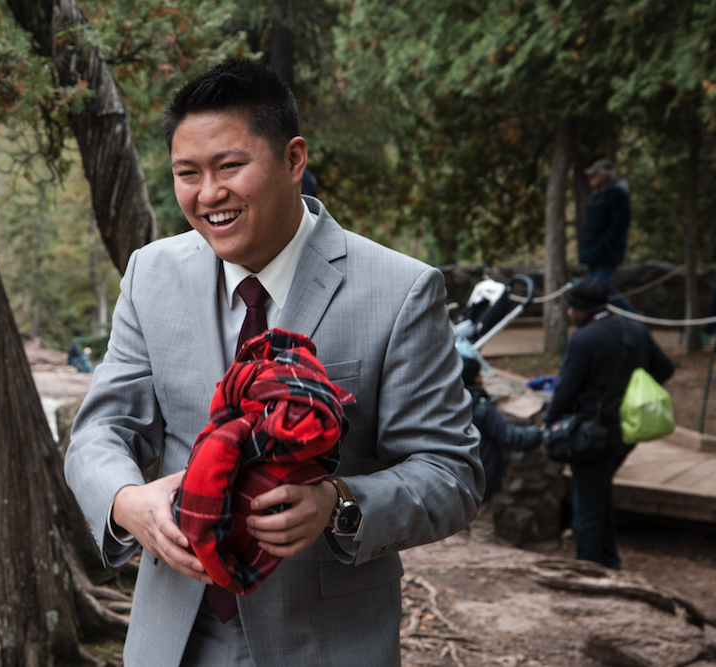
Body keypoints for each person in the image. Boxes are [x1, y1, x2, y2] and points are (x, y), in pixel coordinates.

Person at [64, 59, 483, 667]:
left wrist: (338, 504)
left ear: (293, 160)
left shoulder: (401, 291)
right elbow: (99, 430)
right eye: (188, 173)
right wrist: (127, 501)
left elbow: (452, 473)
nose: (209, 194)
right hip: (173, 639)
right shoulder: (150, 274)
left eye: (230, 166)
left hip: (328, 643)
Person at [543, 278, 673, 569]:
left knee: (587, 506)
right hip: (626, 431)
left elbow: (566, 390)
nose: (568, 313)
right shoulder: (635, 329)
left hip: (592, 435)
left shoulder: (583, 339)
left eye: (570, 308)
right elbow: (665, 368)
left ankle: (588, 569)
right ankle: (608, 563)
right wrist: (631, 391)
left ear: (580, 309)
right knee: (598, 496)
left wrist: (550, 422)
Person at [461, 358, 542, 503]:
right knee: (481, 522)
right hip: (480, 478)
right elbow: (509, 436)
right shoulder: (481, 407)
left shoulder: (446, 405)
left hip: (453, 478)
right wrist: (538, 433)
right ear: (476, 378)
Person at [581, 158, 635, 312]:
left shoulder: (617, 195)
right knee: (593, 291)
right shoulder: (598, 195)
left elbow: (619, 225)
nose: (590, 179)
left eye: (594, 175)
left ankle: (634, 318)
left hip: (606, 253)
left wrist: (604, 245)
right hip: (594, 253)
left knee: (600, 289)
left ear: (604, 176)